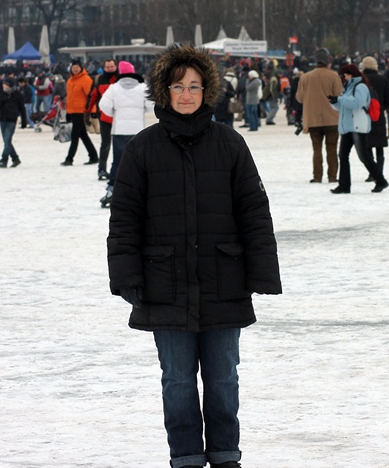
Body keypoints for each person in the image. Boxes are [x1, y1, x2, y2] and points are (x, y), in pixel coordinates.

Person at [107, 45, 282, 468]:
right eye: (179, 86)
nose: (187, 94)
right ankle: (185, 456)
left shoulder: (230, 143)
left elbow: (254, 211)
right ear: (164, 91)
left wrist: (260, 271)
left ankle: (225, 455)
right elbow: (125, 218)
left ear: (208, 91)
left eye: (195, 86)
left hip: (224, 281)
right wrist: (127, 276)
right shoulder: (143, 148)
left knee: (223, 379)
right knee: (178, 381)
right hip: (164, 284)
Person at [97, 60, 152, 206]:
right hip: (138, 131)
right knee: (139, 162)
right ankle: (142, 190)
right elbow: (151, 105)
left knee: (118, 162)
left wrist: (114, 112)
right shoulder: (142, 88)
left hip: (119, 131)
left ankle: (112, 190)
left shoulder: (114, 88)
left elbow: (104, 105)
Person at [329, 64, 388, 194]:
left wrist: (340, 98)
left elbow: (357, 103)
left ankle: (381, 180)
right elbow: (343, 106)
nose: (344, 77)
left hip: (357, 125)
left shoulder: (360, 86)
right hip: (348, 126)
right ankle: (344, 185)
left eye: (346, 74)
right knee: (343, 156)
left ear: (352, 74)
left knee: (364, 156)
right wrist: (334, 102)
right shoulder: (348, 87)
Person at [295, 48, 342, 183]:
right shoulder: (333, 76)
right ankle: (332, 176)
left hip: (313, 119)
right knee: (332, 149)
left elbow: (299, 98)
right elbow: (339, 94)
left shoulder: (305, 77)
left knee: (317, 149)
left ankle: (317, 176)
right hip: (332, 118)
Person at [60, 60, 99, 166]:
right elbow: (70, 98)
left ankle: (69, 159)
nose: (75, 69)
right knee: (83, 135)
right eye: (73, 68)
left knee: (75, 135)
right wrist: (68, 112)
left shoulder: (86, 79)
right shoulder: (70, 81)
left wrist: (92, 110)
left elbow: (91, 96)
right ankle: (94, 156)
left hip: (82, 111)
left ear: (81, 68)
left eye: (77, 67)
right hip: (73, 111)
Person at [87, 58, 118, 179]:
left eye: (112, 66)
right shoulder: (99, 79)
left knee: (120, 144)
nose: (110, 69)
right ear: (104, 68)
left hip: (119, 117)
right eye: (107, 67)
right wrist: (88, 112)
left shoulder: (121, 78)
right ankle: (102, 169)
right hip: (104, 116)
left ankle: (120, 169)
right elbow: (93, 96)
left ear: (115, 67)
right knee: (105, 144)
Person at [0, 77, 28, 168]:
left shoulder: (17, 95)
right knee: (6, 141)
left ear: (9, 85)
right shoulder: (2, 94)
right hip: (2, 120)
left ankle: (3, 160)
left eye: (5, 84)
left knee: (7, 140)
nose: (3, 86)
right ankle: (15, 159)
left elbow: (22, 109)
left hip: (11, 120)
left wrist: (24, 121)